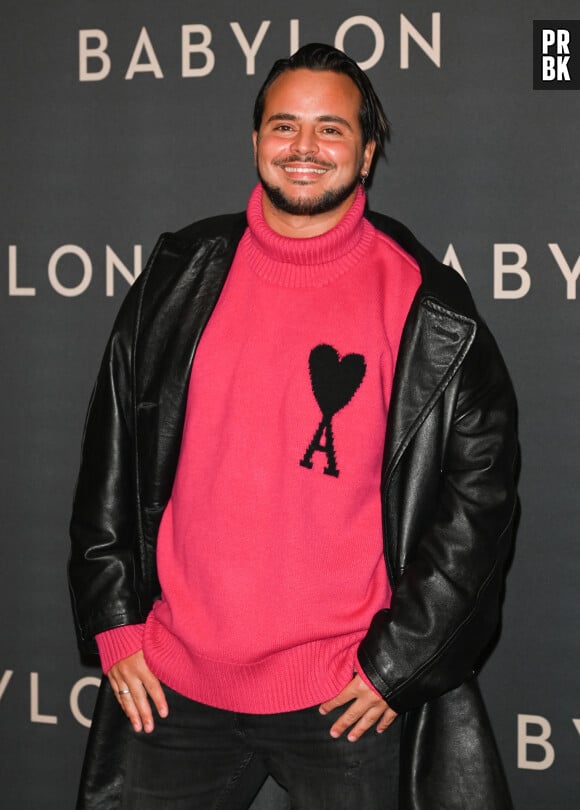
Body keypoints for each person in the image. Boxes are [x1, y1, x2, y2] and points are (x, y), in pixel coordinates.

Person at [69, 43, 518, 810]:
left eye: (331, 129)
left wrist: (396, 665)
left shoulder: (429, 307)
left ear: (368, 151)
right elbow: (110, 456)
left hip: (345, 700)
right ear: (255, 142)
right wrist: (113, 621)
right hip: (174, 685)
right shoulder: (179, 275)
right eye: (284, 126)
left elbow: (480, 504)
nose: (304, 148)